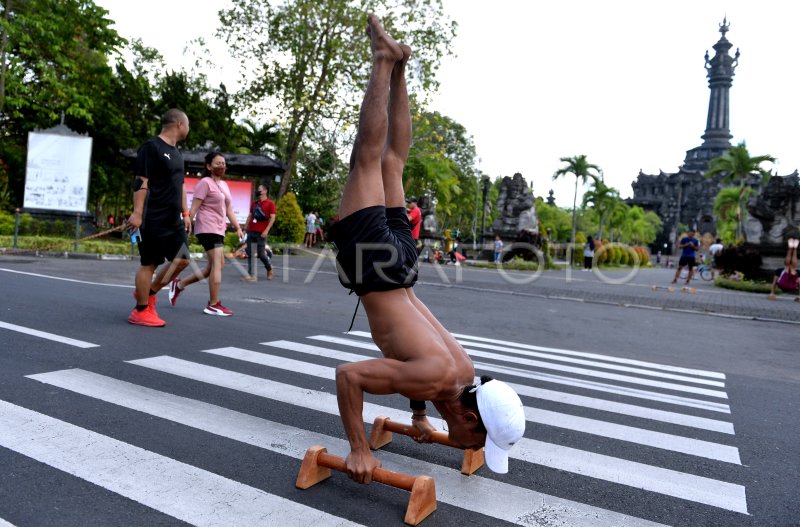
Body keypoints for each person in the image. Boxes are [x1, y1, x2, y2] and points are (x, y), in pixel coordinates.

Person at [327, 15, 525, 485]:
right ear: (471, 418)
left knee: (393, 161)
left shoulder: (463, 372)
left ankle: (401, 68)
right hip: (378, 271)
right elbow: (348, 375)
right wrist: (359, 449)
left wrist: (419, 417)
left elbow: (419, 370)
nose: (476, 447)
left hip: (404, 269)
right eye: (480, 440)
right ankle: (384, 61)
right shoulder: (442, 379)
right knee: (370, 157)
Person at [127, 108, 192, 327]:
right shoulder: (151, 147)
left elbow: (180, 185)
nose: (188, 129)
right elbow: (140, 181)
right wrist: (137, 214)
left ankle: (149, 292)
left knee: (182, 259)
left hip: (173, 219)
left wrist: (185, 213)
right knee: (149, 263)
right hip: (152, 217)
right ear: (179, 124)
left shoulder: (177, 152)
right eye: (188, 124)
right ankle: (141, 310)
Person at [168, 151, 243, 316]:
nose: (221, 166)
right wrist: (187, 220)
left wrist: (237, 226)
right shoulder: (205, 183)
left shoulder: (224, 185)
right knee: (218, 264)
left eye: (223, 163)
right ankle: (213, 304)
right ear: (209, 166)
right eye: (218, 163)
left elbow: (228, 208)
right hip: (207, 227)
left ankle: (179, 285)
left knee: (214, 266)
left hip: (219, 228)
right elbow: (194, 206)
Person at [241, 184, 276, 282]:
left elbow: (272, 218)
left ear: (265, 191)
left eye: (259, 190)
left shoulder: (270, 203)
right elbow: (250, 216)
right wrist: (244, 229)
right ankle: (251, 276)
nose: (258, 191)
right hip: (251, 231)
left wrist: (266, 230)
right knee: (250, 253)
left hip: (261, 233)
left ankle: (269, 268)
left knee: (261, 254)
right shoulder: (254, 203)